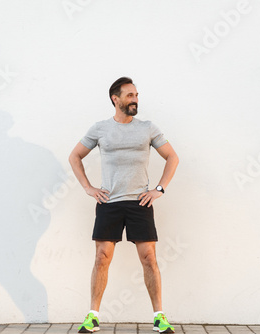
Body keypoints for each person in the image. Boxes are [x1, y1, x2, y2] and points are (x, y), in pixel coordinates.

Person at [69, 77, 179, 333]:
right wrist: (88, 188)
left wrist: (159, 189)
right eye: (130, 96)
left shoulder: (148, 128)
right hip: (109, 203)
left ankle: (159, 317)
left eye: (137, 95)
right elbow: (74, 156)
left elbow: (172, 157)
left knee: (149, 258)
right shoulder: (100, 129)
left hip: (140, 202)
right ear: (115, 99)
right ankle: (92, 316)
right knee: (102, 258)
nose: (135, 100)